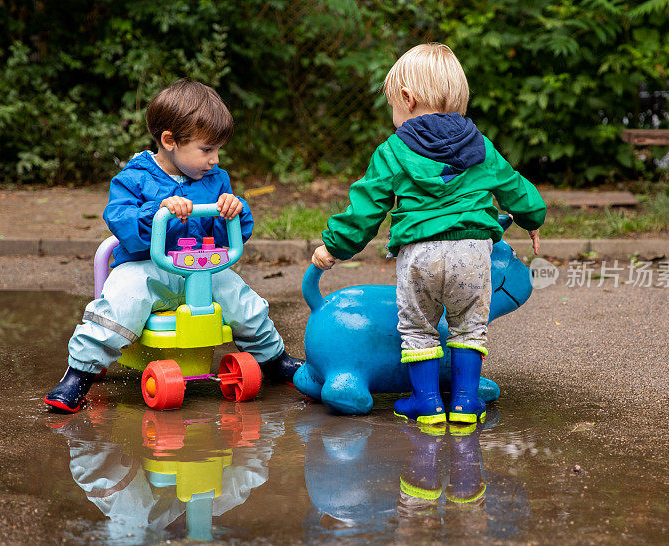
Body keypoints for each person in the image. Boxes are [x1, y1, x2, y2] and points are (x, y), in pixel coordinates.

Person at [311, 43, 546, 425]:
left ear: (408, 98)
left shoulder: (393, 151)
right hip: (472, 252)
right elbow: (515, 186)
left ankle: (427, 403)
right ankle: (467, 403)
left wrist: (334, 246)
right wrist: (532, 217)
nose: (393, 114)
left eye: (392, 105)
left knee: (418, 328)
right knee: (470, 326)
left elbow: (366, 206)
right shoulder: (481, 147)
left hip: (420, 253)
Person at [45, 79, 302, 413]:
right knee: (123, 301)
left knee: (243, 299)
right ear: (169, 141)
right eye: (207, 149)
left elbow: (228, 239)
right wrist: (160, 209)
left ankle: (272, 357)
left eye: (218, 150)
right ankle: (80, 372)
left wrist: (232, 211)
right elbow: (121, 221)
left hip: (202, 268)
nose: (215, 159)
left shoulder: (215, 179)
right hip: (146, 266)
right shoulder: (134, 178)